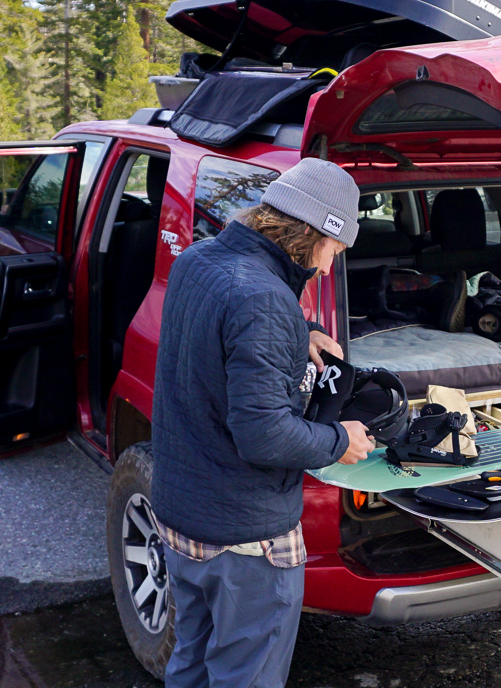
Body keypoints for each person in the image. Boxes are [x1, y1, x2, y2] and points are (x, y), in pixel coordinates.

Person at [150, 158, 375, 688]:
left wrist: (302, 331)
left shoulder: (198, 260)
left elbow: (228, 323)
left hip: (182, 514)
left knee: (192, 658)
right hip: (245, 539)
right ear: (311, 233)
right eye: (333, 252)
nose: (326, 269)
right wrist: (339, 439)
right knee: (245, 677)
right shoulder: (265, 299)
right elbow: (265, 434)